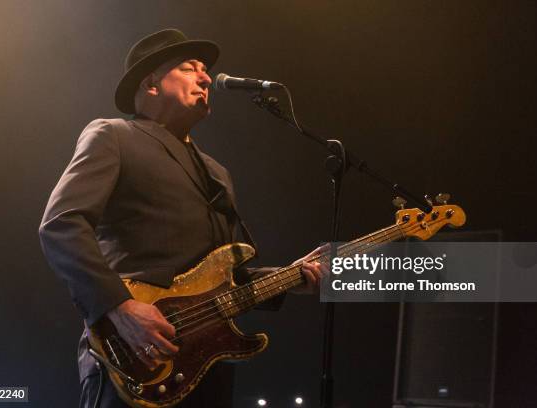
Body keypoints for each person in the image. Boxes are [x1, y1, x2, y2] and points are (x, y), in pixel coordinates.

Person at [39, 28, 324, 407]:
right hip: (135, 354)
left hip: (208, 365)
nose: (206, 78)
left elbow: (222, 279)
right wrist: (119, 307)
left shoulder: (216, 173)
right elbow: (61, 225)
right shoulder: (114, 135)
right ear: (151, 84)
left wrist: (290, 278)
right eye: (191, 68)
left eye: (205, 70)